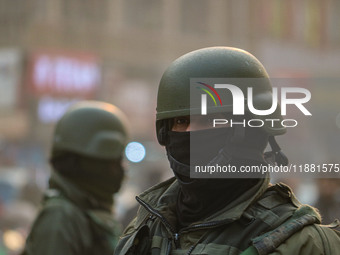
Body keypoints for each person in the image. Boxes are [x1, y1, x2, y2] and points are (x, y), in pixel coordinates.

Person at [114, 47, 340, 255]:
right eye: (181, 121)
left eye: (209, 119)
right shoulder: (145, 226)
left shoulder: (303, 243)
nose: (190, 132)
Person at [22, 101, 129, 255]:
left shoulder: (87, 213)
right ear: (89, 163)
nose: (121, 169)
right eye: (113, 161)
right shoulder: (61, 218)